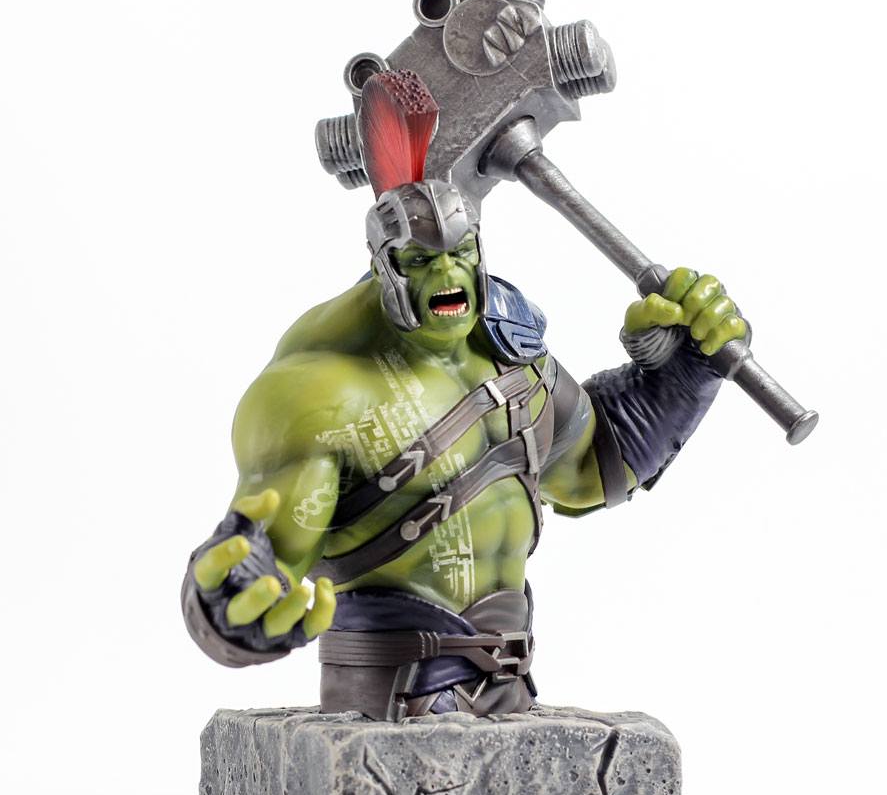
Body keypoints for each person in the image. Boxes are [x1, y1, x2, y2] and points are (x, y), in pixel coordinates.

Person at [181, 71, 747, 720]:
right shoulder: (322, 391)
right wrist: (229, 602)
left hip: (512, 693)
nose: (447, 273)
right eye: (422, 261)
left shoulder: (507, 354)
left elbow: (594, 465)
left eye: (461, 254)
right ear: (385, 268)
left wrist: (680, 370)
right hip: (394, 703)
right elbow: (268, 544)